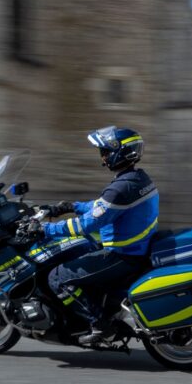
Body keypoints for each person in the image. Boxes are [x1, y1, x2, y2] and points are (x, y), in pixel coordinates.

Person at [20, 126, 159, 345]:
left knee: (57, 278)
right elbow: (103, 208)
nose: (103, 157)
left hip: (122, 255)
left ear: (119, 153)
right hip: (135, 249)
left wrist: (45, 229)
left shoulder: (121, 188)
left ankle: (100, 325)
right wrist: (70, 206)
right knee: (82, 249)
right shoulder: (138, 179)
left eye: (105, 152)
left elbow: (88, 223)